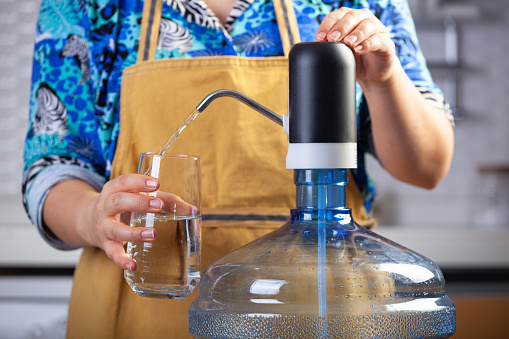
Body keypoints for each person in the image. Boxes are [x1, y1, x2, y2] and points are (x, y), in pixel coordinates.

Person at [23, 0, 454, 337]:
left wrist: (383, 79)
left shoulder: (352, 4)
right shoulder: (90, 9)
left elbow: (427, 165)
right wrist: (92, 215)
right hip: (145, 309)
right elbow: (51, 167)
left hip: (324, 310)